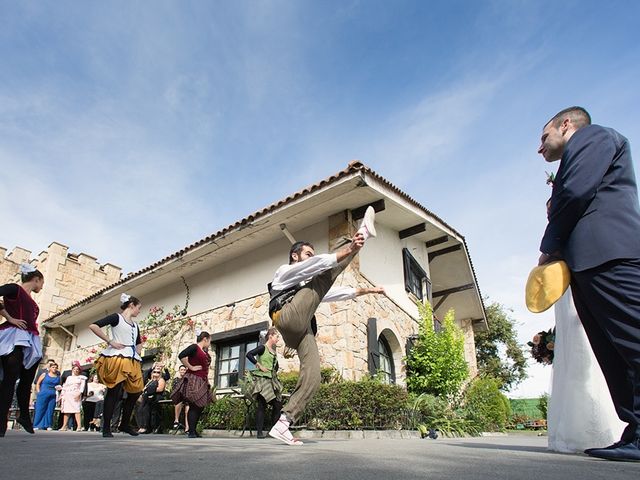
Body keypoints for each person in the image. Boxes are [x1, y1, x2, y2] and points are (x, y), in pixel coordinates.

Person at [538, 106, 640, 461]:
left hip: (609, 254)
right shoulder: (582, 151)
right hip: (588, 264)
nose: (540, 148)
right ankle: (636, 428)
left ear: (566, 125)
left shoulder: (594, 137)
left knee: (633, 337)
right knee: (612, 352)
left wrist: (548, 247)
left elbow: (577, 192)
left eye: (544, 136)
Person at [267, 207, 385, 445]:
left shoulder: (310, 288)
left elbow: (336, 292)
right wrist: (352, 247)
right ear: (295, 256)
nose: (311, 256)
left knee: (313, 375)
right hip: (286, 317)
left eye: (312, 254)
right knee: (323, 273)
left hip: (300, 330)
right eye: (307, 253)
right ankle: (361, 233)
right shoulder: (284, 273)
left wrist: (368, 290)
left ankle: (284, 423)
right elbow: (320, 266)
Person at [547, 289, 625, 452]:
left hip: (579, 281)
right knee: (576, 343)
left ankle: (597, 428)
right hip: (571, 285)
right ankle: (577, 430)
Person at [88, 293, 144, 437]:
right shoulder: (116, 318)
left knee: (136, 391)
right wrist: (110, 341)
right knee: (114, 392)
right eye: (139, 308)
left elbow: (138, 342)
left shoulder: (136, 325)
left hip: (132, 360)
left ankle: (124, 423)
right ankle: (106, 426)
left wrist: (138, 354)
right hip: (118, 357)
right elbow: (93, 326)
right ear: (131, 306)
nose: (139, 311)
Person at [0, 264, 45, 437]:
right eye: (42, 283)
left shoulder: (34, 304)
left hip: (30, 339)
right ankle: (2, 421)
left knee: (27, 378)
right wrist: (10, 317)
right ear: (36, 279)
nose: (41, 287)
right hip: (13, 337)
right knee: (9, 380)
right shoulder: (15, 289)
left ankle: (24, 414)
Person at [171, 332, 214, 438]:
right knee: (194, 405)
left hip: (202, 380)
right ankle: (191, 432)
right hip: (194, 379)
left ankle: (193, 430)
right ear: (205, 339)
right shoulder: (195, 347)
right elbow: (181, 355)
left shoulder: (204, 352)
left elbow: (205, 367)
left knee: (200, 406)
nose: (209, 343)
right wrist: (190, 367)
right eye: (209, 341)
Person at [246, 327, 283, 439]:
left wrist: (275, 372)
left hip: (271, 381)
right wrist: (259, 365)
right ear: (270, 336)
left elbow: (275, 366)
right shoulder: (263, 348)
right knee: (262, 405)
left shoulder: (273, 352)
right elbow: (249, 354)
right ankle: (259, 432)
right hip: (262, 380)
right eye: (277, 336)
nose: (278, 339)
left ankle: (274, 431)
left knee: (278, 404)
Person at [32, 361, 60, 430]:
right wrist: (39, 392)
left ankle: (48, 425)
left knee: (50, 409)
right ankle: (37, 425)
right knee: (40, 409)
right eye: (53, 367)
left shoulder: (58, 376)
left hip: (52, 393)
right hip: (43, 392)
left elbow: (59, 385)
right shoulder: (44, 374)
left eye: (56, 367)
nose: (54, 368)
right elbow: (38, 383)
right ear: (50, 368)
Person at [136, 368, 166, 434]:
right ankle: (142, 426)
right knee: (141, 410)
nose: (156, 373)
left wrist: (148, 391)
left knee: (147, 410)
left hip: (155, 398)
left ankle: (146, 427)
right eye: (154, 372)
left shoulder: (161, 380)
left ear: (160, 373)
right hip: (147, 398)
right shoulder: (150, 381)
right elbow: (144, 389)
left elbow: (160, 389)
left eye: (158, 372)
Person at [59, 363, 87, 431]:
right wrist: (62, 394)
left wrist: (79, 394)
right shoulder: (69, 377)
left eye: (77, 369)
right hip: (68, 394)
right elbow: (65, 386)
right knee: (66, 411)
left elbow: (82, 387)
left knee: (77, 410)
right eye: (74, 369)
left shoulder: (81, 378)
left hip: (75, 393)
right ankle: (64, 426)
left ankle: (79, 426)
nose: (76, 370)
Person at [171, 365, 189, 431]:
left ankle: (187, 427)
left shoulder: (188, 380)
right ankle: (176, 420)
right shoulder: (176, 380)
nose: (183, 371)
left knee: (188, 408)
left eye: (184, 370)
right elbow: (174, 390)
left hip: (187, 397)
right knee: (178, 401)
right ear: (179, 371)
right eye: (181, 370)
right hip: (179, 397)